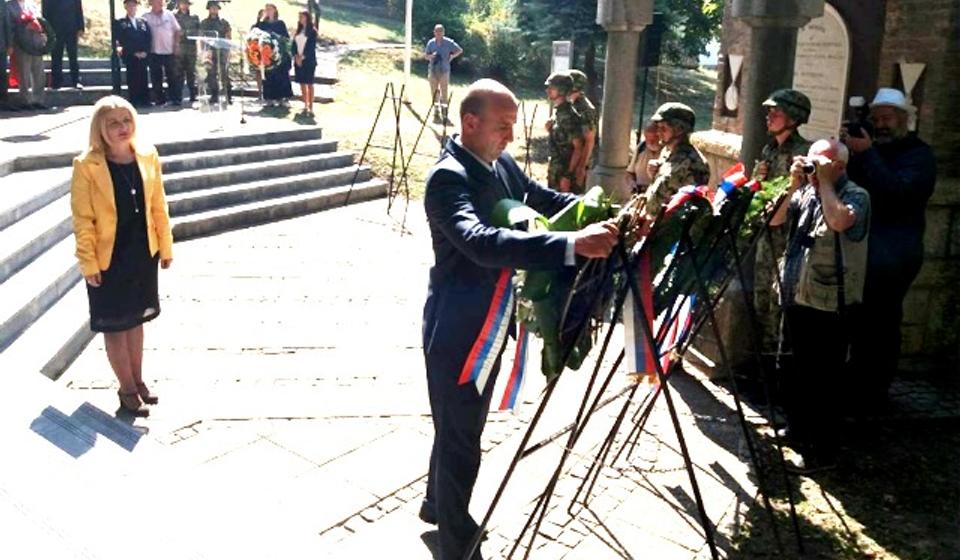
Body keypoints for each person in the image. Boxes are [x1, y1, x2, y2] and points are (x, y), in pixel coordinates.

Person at [419, 78, 619, 560]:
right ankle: (454, 541)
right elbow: (480, 241)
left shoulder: (500, 162)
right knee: (462, 438)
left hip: (489, 318)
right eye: (503, 126)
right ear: (470, 123)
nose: (511, 136)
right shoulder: (449, 178)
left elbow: (543, 199)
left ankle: (435, 507)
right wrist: (572, 246)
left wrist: (601, 213)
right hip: (459, 327)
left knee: (458, 426)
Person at [69, 96, 174, 417]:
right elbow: (82, 219)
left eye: (126, 120)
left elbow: (159, 205)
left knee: (137, 320)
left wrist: (166, 246)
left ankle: (138, 381)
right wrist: (88, 263)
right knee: (116, 324)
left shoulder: (147, 156)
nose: (121, 128)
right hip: (108, 257)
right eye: (113, 123)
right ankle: (126, 389)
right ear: (99, 128)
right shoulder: (86, 165)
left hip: (142, 252)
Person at [770, 139, 870, 472]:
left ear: (840, 166)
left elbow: (840, 221)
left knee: (823, 379)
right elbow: (773, 220)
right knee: (794, 369)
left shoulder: (857, 195)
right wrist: (794, 184)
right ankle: (796, 430)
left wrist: (825, 183)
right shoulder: (806, 190)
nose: (814, 170)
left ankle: (821, 451)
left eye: (821, 164)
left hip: (831, 302)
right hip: (797, 293)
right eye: (811, 163)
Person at [844, 88, 937, 405]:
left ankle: (874, 391)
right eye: (877, 119)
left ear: (903, 120)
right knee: (859, 322)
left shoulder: (919, 155)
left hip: (896, 252)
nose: (881, 124)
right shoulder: (873, 149)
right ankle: (855, 382)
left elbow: (898, 193)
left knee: (881, 323)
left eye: (887, 119)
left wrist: (868, 154)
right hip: (865, 249)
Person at [752, 89, 813, 360]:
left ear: (793, 118)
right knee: (760, 299)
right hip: (767, 234)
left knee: (780, 305)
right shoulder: (769, 149)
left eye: (775, 113)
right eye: (769, 112)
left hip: (789, 238)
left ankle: (775, 369)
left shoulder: (804, 153)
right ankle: (759, 364)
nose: (769, 117)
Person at [644, 102, 711, 215]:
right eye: (658, 127)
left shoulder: (693, 163)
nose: (658, 132)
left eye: (663, 128)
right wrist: (654, 173)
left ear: (679, 129)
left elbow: (685, 208)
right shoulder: (668, 153)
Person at [544, 71, 589, 194]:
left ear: (562, 90)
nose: (547, 91)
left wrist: (568, 176)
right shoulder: (559, 112)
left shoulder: (569, 115)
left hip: (564, 173)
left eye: (551, 88)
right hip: (556, 170)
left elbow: (578, 147)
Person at [6, 0, 47, 109]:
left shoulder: (32, 4)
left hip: (36, 43)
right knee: (23, 73)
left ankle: (38, 100)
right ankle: (25, 100)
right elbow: (9, 26)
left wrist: (42, 33)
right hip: (21, 44)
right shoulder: (9, 6)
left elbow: (41, 21)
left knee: (39, 73)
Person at [143, 0, 181, 106]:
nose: (158, 3)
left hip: (169, 51)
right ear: (151, 3)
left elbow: (177, 30)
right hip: (153, 51)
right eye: (155, 1)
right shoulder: (145, 16)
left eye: (160, 1)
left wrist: (176, 45)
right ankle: (159, 100)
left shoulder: (169, 15)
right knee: (156, 77)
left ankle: (175, 99)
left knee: (172, 76)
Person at [115, 0, 152, 108]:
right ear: (125, 7)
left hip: (143, 55)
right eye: (129, 6)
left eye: (134, 6)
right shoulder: (121, 22)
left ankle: (145, 100)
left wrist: (145, 51)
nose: (132, 8)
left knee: (143, 77)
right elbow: (122, 40)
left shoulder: (143, 22)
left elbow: (148, 38)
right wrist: (133, 52)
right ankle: (134, 100)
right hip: (131, 56)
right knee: (132, 78)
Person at [255, 3, 292, 106]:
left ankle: (282, 98)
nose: (268, 11)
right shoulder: (262, 24)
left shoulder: (280, 24)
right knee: (268, 76)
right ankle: (269, 99)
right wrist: (259, 19)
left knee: (281, 75)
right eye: (266, 9)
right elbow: (255, 33)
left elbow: (286, 38)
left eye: (270, 9)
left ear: (275, 10)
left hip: (279, 54)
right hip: (267, 55)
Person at [566, 68, 598, 187]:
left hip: (578, 163)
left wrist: (581, 167)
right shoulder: (570, 104)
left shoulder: (585, 109)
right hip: (569, 160)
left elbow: (589, 140)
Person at [423, 23, 461, 123]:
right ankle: (436, 111)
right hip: (433, 70)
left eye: (441, 32)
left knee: (444, 91)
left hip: (444, 70)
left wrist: (452, 56)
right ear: (434, 32)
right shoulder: (431, 43)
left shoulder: (448, 42)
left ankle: (445, 112)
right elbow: (425, 56)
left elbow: (459, 50)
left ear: (443, 32)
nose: (439, 34)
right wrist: (432, 56)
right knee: (434, 91)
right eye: (437, 32)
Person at [42, 0, 83, 89]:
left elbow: (78, 9)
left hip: (72, 28)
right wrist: (46, 29)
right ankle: (56, 82)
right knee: (56, 56)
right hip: (55, 29)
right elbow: (45, 12)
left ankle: (76, 81)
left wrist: (80, 27)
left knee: (73, 55)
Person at [200, 0, 231, 104]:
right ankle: (214, 95)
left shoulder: (223, 22)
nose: (214, 9)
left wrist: (228, 51)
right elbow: (201, 37)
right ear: (208, 9)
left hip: (222, 51)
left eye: (216, 7)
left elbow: (228, 36)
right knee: (211, 74)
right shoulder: (204, 23)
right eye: (212, 7)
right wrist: (202, 52)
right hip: (210, 51)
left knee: (224, 73)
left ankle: (228, 96)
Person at [173, 0, 200, 104]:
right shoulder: (174, 16)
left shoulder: (194, 17)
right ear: (179, 4)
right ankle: (178, 97)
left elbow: (199, 32)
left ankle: (193, 95)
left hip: (191, 49)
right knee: (178, 74)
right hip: (179, 48)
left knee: (191, 73)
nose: (184, 5)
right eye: (182, 3)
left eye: (186, 3)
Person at [625, 119, 661, 193]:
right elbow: (629, 173)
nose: (650, 142)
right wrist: (632, 184)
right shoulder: (641, 147)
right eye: (647, 138)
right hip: (640, 193)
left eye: (654, 138)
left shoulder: (669, 152)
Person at [291, 9, 316, 115]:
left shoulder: (312, 31)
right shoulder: (298, 31)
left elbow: (311, 47)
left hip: (308, 60)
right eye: (299, 16)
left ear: (307, 17)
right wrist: (296, 56)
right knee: (302, 83)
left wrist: (303, 57)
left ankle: (311, 106)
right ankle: (305, 105)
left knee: (309, 83)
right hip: (298, 60)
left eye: (302, 16)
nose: (300, 18)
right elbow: (293, 45)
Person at [0, 2, 13, 111]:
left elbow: (7, 24)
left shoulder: (2, 3)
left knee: (2, 73)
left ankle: (3, 101)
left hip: (1, 46)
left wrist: (9, 44)